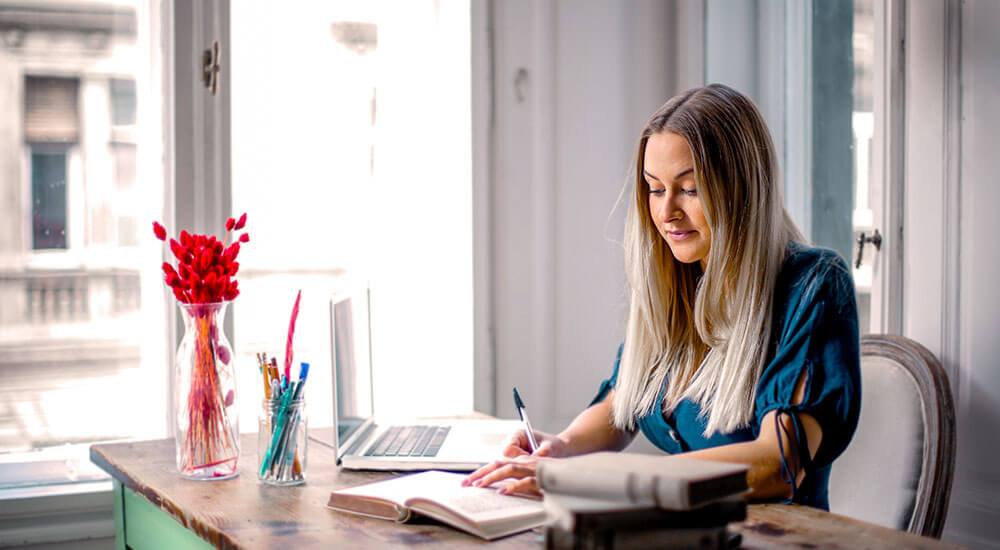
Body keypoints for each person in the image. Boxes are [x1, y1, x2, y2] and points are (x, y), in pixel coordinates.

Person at [463, 83, 861, 510]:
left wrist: (596, 479)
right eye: (655, 188)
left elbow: (776, 464)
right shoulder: (678, 280)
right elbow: (624, 403)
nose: (667, 212)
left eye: (689, 189)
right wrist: (562, 447)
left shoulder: (813, 287)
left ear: (743, 191)